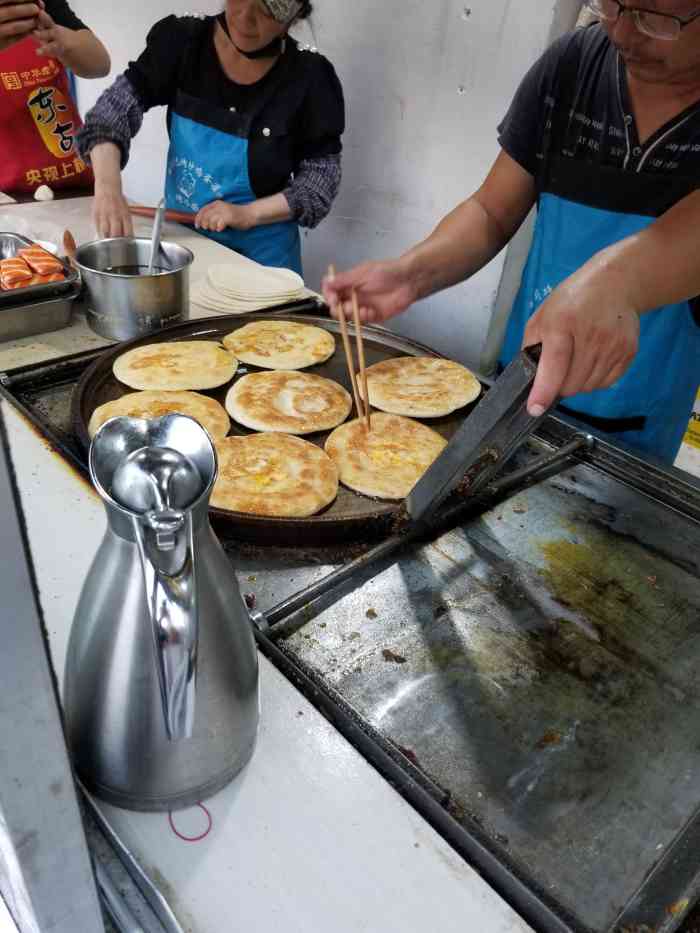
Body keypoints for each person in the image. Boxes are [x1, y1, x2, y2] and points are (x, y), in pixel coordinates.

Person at [324, 0, 700, 465]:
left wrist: (616, 283)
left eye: (653, 18)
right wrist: (412, 273)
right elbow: (490, 211)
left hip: (632, 433)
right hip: (516, 390)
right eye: (612, 4)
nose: (622, 32)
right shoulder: (573, 65)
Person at [77, 0, 345, 276]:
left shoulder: (309, 77)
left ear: (294, 14)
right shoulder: (184, 41)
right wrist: (108, 187)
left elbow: (320, 181)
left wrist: (248, 213)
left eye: (267, 9)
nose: (245, 17)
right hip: (182, 249)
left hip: (264, 262)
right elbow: (110, 114)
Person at [0, 0, 109, 194]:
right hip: (7, 199)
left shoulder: (39, 4)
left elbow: (100, 63)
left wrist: (61, 40)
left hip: (76, 183)